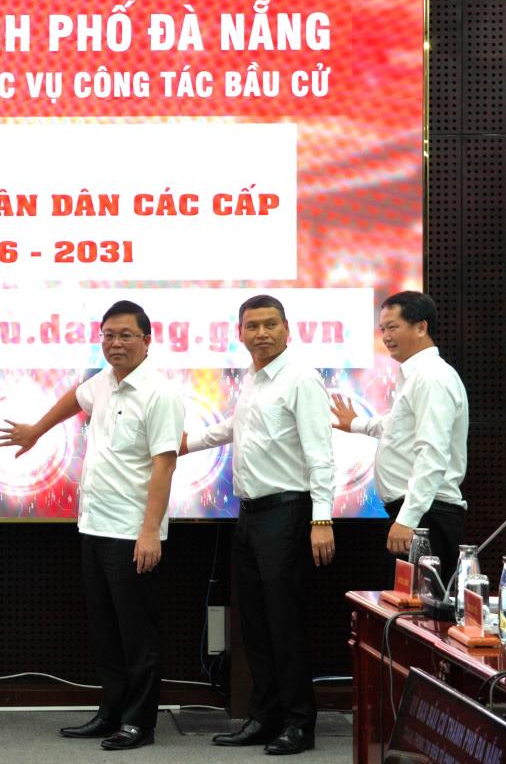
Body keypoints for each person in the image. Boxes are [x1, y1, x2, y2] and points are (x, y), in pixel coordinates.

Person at [0, 300, 183, 751]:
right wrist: (37, 430)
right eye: (108, 335)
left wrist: (150, 531)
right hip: (94, 526)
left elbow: (165, 465)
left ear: (147, 340)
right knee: (104, 630)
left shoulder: (160, 393)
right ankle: (110, 712)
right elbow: (74, 398)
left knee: (137, 634)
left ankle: (139, 723)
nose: (115, 343)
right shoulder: (104, 383)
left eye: (126, 335)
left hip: (132, 532)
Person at [182, 294, 335, 755]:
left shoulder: (301, 379)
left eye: (270, 325)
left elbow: (320, 453)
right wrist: (183, 444)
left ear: (288, 329)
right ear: (240, 333)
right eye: (252, 326)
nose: (261, 333)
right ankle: (264, 717)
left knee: (284, 623)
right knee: (255, 624)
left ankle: (299, 724)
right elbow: (235, 428)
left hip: (288, 513)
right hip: (249, 516)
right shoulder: (253, 378)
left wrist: (322, 517)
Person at [331, 290, 469, 586]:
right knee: (409, 607)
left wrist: (408, 519)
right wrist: (356, 424)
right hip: (419, 513)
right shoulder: (417, 375)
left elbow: (432, 453)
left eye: (393, 327)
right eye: (383, 329)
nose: (386, 337)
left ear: (421, 327)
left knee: (422, 610)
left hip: (426, 515)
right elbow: (398, 426)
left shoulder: (432, 377)